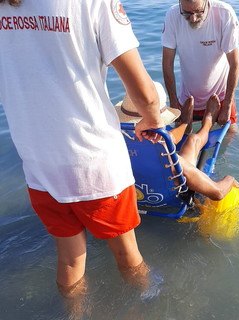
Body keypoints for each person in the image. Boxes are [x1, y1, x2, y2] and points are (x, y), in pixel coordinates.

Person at [0, 0, 164, 312]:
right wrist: (153, 119)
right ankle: (149, 303)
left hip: (38, 166)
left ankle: (75, 315)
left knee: (70, 259)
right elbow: (144, 93)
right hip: (93, 162)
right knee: (129, 257)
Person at [116, 82, 239, 200]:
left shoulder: (114, 146)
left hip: (137, 194)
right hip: (168, 196)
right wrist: (230, 179)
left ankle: (185, 124)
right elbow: (217, 193)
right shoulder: (170, 161)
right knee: (193, 140)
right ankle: (205, 123)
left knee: (166, 140)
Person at [162, 0, 239, 132]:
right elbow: (167, 63)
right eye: (187, 13)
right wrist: (173, 102)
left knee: (231, 135)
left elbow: (235, 63)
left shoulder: (225, 13)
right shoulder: (172, 15)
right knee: (182, 139)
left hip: (221, 98)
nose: (193, 18)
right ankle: (205, 125)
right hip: (188, 100)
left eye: (198, 11)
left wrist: (227, 104)